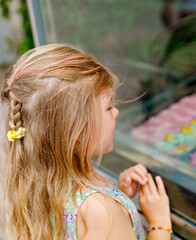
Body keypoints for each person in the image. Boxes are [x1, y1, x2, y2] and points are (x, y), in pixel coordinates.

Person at [0, 44, 172, 239]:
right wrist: (159, 223)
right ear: (78, 131)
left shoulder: (41, 185)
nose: (116, 111)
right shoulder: (102, 213)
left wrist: (120, 196)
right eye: (108, 108)